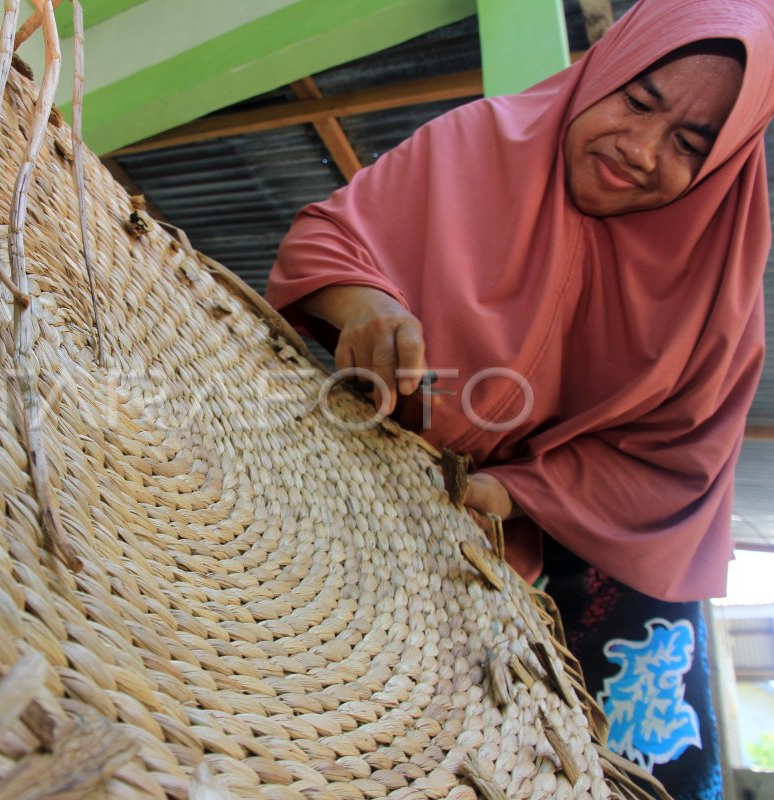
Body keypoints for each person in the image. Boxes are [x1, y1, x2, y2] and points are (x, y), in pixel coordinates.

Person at [266, 0, 774, 796]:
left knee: (605, 762)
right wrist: (362, 301)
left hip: (555, 545)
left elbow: (676, 465)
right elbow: (332, 235)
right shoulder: (479, 139)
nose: (640, 151)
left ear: (725, 161)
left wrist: (515, 493)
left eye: (689, 144)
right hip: (358, 480)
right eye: (639, 103)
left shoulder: (718, 287)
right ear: (607, 68)